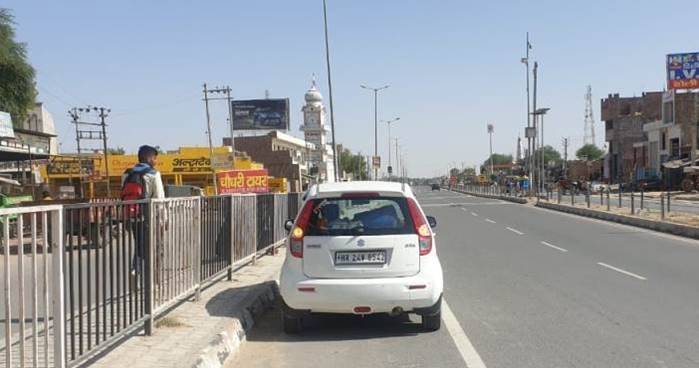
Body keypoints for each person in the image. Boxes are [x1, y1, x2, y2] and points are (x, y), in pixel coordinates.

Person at [121, 145, 165, 276]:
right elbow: (159, 199)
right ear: (149, 158)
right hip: (149, 217)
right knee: (154, 247)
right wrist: (163, 220)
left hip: (132, 215)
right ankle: (150, 278)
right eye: (154, 158)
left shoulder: (127, 173)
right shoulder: (153, 174)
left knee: (140, 244)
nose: (155, 161)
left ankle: (136, 270)